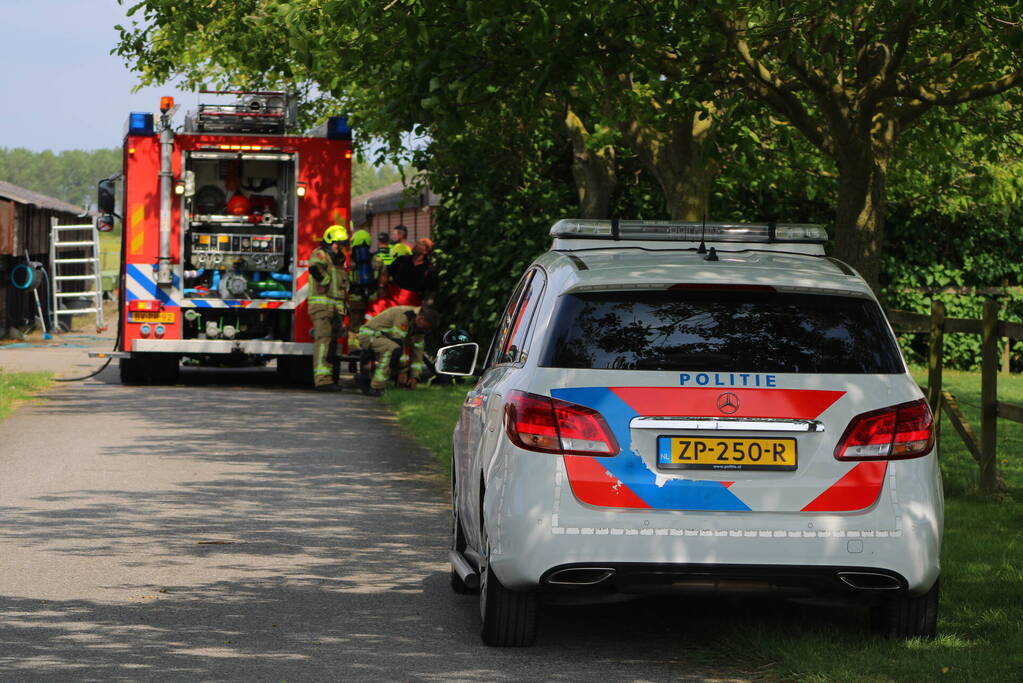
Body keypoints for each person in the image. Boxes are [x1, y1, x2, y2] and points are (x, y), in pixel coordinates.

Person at [357, 304, 439, 396]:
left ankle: (369, 377)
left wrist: (415, 377)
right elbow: (399, 343)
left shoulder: (418, 326)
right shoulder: (404, 316)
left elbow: (417, 355)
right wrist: (402, 371)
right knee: (393, 349)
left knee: (395, 350)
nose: (424, 330)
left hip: (384, 338)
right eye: (424, 327)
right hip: (369, 335)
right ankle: (376, 387)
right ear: (421, 319)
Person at [307, 224, 350, 391]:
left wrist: (343, 314)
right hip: (321, 307)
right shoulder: (321, 254)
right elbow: (314, 267)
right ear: (329, 241)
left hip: (335, 309)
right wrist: (325, 281)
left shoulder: (338, 261)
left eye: (341, 244)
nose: (339, 247)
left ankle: (329, 377)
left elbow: (340, 291)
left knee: (332, 344)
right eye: (337, 244)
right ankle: (322, 380)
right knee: (323, 341)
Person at [383, 237, 439, 306]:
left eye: (420, 244)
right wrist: (381, 287)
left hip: (413, 303)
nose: (416, 245)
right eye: (417, 243)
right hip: (393, 299)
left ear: (426, 251)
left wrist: (428, 302)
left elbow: (433, 289)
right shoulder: (402, 260)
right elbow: (387, 271)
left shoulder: (429, 269)